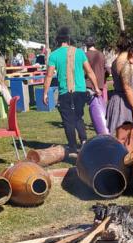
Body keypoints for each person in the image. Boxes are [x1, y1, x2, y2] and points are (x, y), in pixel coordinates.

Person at [42, 27, 102, 155]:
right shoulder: (79, 53)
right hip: (80, 91)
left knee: (68, 120)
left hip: (65, 92)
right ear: (69, 40)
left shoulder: (54, 55)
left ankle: (73, 146)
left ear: (58, 41)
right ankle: (84, 141)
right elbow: (89, 71)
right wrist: (96, 88)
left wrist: (45, 93)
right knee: (78, 117)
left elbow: (48, 76)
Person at [106, 33, 133, 151]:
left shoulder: (119, 60)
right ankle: (119, 165)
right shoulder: (124, 63)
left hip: (123, 100)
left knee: (129, 138)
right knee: (122, 139)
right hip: (124, 104)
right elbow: (127, 87)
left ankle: (130, 164)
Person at [85, 36, 108, 103]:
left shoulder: (85, 55)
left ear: (86, 45)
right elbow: (106, 69)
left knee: (92, 107)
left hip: (88, 84)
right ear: (94, 44)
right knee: (100, 107)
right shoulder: (101, 54)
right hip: (100, 84)